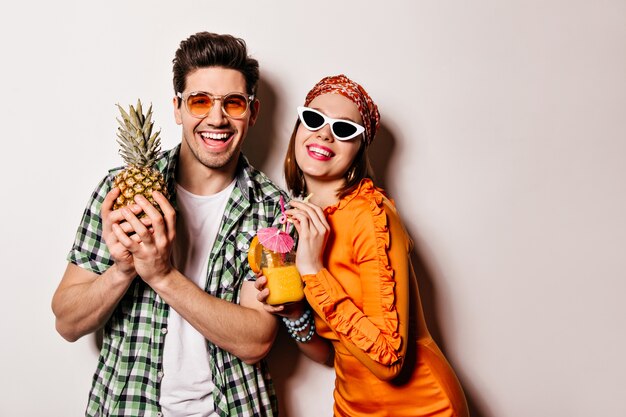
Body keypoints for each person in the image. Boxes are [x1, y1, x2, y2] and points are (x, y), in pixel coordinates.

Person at [51, 32, 286, 417]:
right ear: (177, 108)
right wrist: (124, 268)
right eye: (199, 101)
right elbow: (67, 322)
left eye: (233, 103)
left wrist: (161, 275)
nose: (216, 118)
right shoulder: (119, 193)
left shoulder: (272, 210)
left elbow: (256, 339)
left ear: (253, 113)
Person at [255, 74, 470, 416]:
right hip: (353, 406)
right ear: (298, 129)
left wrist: (313, 271)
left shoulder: (370, 216)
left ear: (359, 149)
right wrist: (295, 314)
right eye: (314, 119)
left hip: (423, 406)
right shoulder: (303, 220)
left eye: (344, 129)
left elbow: (388, 360)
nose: (325, 133)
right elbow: (330, 353)